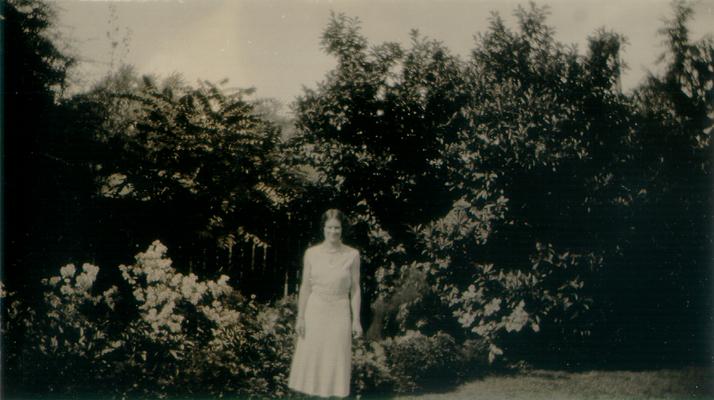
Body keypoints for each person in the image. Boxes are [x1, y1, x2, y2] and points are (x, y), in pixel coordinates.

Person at [288, 209, 362, 398]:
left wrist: (356, 320)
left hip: (339, 311)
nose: (333, 232)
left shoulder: (352, 255)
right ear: (323, 229)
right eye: (329, 227)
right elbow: (305, 287)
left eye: (337, 228)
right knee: (314, 358)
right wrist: (301, 318)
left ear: (342, 229)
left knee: (335, 358)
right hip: (316, 310)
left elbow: (355, 289)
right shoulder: (311, 254)